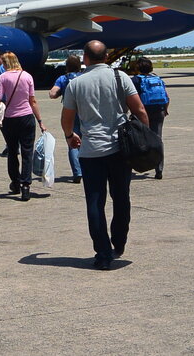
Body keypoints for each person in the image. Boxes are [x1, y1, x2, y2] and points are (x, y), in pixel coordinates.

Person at [62, 40, 148, 270]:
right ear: (107, 56)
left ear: (85, 58)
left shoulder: (76, 83)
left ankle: (102, 253)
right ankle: (118, 243)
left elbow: (67, 118)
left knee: (95, 202)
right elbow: (139, 110)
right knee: (121, 198)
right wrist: (145, 138)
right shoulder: (121, 78)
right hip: (120, 149)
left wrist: (70, 136)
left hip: (91, 152)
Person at [0, 51, 47, 201]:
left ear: (6, 63)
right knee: (27, 152)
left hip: (10, 119)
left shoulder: (3, 77)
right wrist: (40, 121)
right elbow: (33, 101)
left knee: (12, 151)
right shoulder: (27, 76)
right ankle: (26, 185)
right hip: (26, 117)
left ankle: (15, 182)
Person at [132, 57, 169, 179]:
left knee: (139, 139)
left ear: (138, 67)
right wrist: (165, 110)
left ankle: (140, 163)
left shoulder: (136, 80)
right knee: (158, 138)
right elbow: (167, 97)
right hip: (159, 110)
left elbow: (132, 97)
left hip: (143, 111)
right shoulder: (157, 78)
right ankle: (159, 169)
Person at [49, 55, 84, 183]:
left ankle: (77, 172)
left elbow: (52, 94)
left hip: (70, 112)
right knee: (86, 141)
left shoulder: (63, 78)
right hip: (85, 112)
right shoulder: (84, 76)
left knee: (72, 142)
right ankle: (88, 169)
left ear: (67, 66)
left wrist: (60, 92)